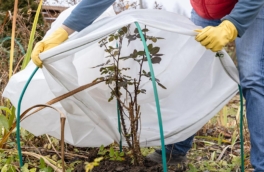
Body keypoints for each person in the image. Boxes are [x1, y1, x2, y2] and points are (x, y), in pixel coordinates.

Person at [31, 0, 264, 171]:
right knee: (189, 72)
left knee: (252, 77)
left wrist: (231, 25)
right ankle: (174, 152)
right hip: (206, 9)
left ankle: (261, 165)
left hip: (251, 6)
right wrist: (63, 30)